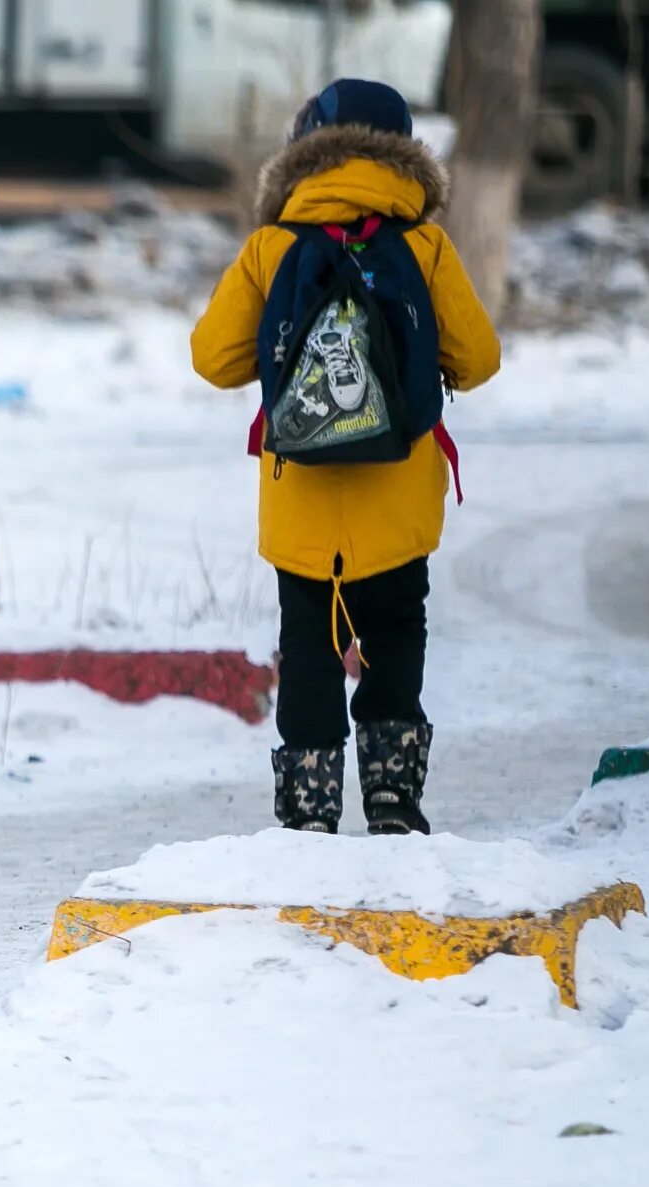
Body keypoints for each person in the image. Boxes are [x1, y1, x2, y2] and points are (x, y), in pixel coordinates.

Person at [190, 79, 501, 835]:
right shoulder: (423, 245)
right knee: (396, 632)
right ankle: (393, 801)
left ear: (304, 153)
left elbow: (214, 360)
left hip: (300, 497)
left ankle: (308, 812)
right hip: (397, 491)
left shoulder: (273, 247)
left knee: (309, 645)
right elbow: (480, 357)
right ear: (406, 157)